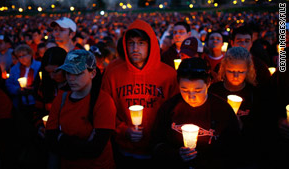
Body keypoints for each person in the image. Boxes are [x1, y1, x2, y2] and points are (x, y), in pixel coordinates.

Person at [101, 19, 179, 169]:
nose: (135, 48)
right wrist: (123, 130)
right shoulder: (113, 73)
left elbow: (175, 113)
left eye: (141, 43)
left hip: (158, 151)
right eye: (131, 43)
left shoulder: (169, 75)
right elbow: (105, 111)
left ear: (151, 45)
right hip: (124, 151)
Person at [152, 58, 241, 169]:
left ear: (208, 84)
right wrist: (175, 154)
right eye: (184, 90)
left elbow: (233, 150)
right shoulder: (169, 107)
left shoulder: (222, 110)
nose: (191, 96)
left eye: (198, 90)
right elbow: (156, 144)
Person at [45, 49, 116, 169]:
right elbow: (50, 138)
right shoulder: (61, 98)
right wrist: (82, 144)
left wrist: (61, 137)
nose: (71, 78)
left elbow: (95, 149)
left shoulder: (103, 101)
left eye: (78, 73)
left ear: (92, 73)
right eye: (68, 73)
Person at [209, 47, 262, 167]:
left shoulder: (254, 94)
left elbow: (261, 128)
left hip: (244, 154)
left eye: (241, 72)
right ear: (223, 69)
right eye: (230, 71)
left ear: (248, 70)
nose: (236, 75)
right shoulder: (214, 90)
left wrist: (242, 126)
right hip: (218, 154)